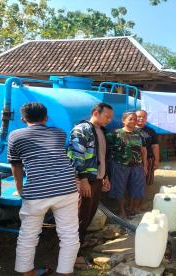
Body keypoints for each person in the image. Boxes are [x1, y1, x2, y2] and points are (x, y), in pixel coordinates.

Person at [8, 102, 79, 276]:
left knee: (28, 235)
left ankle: (27, 272)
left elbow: (16, 167)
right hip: (66, 187)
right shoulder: (59, 133)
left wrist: (20, 189)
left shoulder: (15, 136)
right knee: (69, 234)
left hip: (37, 192)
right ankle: (65, 272)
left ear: (23, 118)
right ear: (46, 118)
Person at [68, 103, 113, 269]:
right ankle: (73, 255)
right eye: (107, 116)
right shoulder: (82, 129)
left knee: (88, 215)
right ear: (96, 112)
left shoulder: (101, 131)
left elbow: (101, 157)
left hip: (97, 179)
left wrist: (105, 176)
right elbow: (76, 155)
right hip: (86, 180)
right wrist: (83, 179)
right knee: (80, 216)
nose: (109, 119)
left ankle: (78, 246)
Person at [107, 112, 147, 218]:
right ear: (123, 120)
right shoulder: (115, 134)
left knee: (137, 187)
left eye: (135, 119)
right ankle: (122, 211)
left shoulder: (139, 134)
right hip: (120, 165)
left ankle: (133, 209)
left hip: (137, 165)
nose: (133, 121)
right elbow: (107, 150)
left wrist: (145, 165)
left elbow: (143, 150)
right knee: (119, 188)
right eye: (130, 119)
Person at [135, 110, 160, 209]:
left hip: (149, 160)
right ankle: (132, 203)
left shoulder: (151, 131)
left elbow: (155, 147)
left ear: (146, 118)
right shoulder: (130, 130)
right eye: (139, 116)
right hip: (133, 161)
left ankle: (142, 202)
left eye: (143, 117)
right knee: (134, 181)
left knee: (146, 181)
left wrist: (157, 160)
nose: (141, 119)